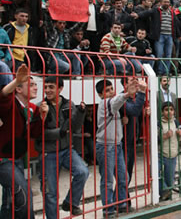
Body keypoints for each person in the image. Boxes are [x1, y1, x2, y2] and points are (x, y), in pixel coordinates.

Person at [37, 76, 89, 218]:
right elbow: (38, 133)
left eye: (51, 87)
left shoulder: (68, 104)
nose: (47, 90)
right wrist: (58, 133)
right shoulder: (40, 107)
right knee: (50, 193)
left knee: (83, 172)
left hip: (66, 149)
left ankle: (71, 203)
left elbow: (75, 127)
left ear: (60, 88)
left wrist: (80, 113)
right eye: (46, 87)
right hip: (48, 153)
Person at [0, 64, 48, 219]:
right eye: (31, 84)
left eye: (35, 84)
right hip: (4, 160)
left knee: (10, 201)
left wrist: (42, 118)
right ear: (19, 89)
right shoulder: (10, 104)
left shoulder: (33, 107)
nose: (36, 88)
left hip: (19, 159)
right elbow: (2, 96)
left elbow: (35, 133)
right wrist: (16, 81)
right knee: (24, 196)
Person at [95, 78, 138, 217]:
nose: (111, 92)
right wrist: (126, 94)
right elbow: (115, 102)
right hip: (105, 147)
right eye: (106, 91)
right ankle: (108, 210)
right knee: (107, 180)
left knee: (123, 176)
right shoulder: (105, 103)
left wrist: (121, 121)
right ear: (101, 95)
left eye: (111, 89)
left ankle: (121, 204)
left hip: (116, 145)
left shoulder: (113, 105)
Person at [119, 77, 147, 205]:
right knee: (124, 175)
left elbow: (139, 116)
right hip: (122, 143)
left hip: (132, 141)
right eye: (131, 80)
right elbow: (134, 110)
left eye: (136, 80)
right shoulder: (121, 98)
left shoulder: (134, 99)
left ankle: (123, 200)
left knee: (127, 173)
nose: (135, 82)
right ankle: (121, 201)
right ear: (124, 85)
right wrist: (142, 92)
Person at [158, 101, 181, 201]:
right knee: (155, 173)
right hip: (161, 154)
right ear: (162, 112)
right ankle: (163, 191)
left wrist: (180, 134)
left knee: (170, 180)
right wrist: (164, 136)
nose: (169, 112)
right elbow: (156, 139)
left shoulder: (176, 122)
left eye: (171, 110)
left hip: (172, 154)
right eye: (166, 110)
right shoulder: (159, 123)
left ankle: (167, 196)